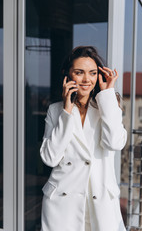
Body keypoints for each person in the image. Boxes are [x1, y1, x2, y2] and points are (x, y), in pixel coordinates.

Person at [40, 46, 127, 231]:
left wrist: (108, 95)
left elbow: (115, 143)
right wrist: (66, 111)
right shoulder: (56, 110)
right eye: (79, 72)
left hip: (100, 200)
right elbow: (50, 158)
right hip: (63, 204)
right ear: (67, 75)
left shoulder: (108, 106)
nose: (87, 79)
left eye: (93, 73)